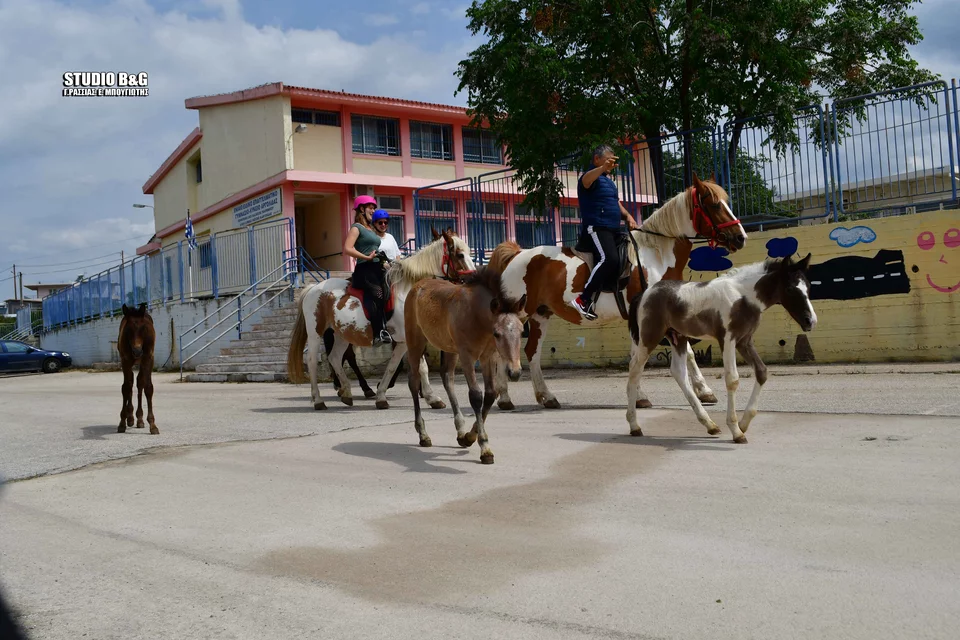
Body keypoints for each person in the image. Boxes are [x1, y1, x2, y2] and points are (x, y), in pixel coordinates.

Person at [572, 143, 641, 320]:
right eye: (608, 160)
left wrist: (628, 217)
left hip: (614, 229)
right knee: (609, 258)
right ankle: (583, 299)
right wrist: (602, 168)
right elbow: (587, 180)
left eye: (612, 161)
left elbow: (616, 204)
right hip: (596, 228)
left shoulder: (609, 183)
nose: (612, 164)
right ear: (597, 159)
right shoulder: (588, 178)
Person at [344, 196, 392, 345]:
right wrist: (366, 257)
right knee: (377, 293)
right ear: (361, 209)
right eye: (370, 207)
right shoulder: (356, 227)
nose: (373, 210)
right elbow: (347, 248)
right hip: (364, 269)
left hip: (378, 266)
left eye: (374, 207)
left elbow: (375, 249)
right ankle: (378, 333)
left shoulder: (371, 229)